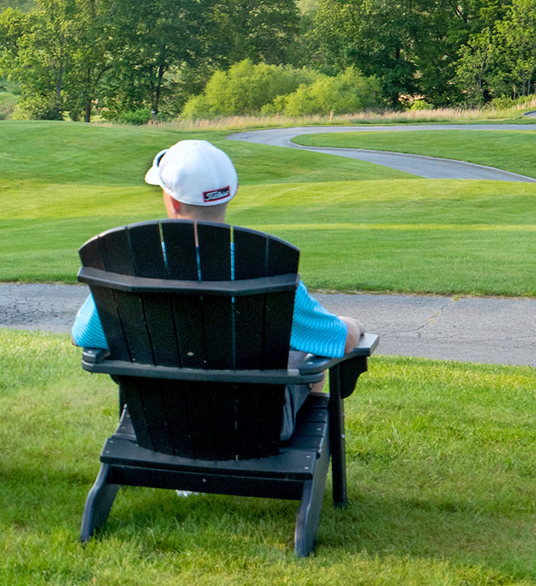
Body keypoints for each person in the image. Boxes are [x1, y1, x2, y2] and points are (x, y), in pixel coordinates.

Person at [69, 138, 364, 437]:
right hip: (255, 430)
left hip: (161, 426)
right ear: (230, 194)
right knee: (304, 356)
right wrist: (352, 324)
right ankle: (305, 446)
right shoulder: (264, 269)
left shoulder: (128, 268)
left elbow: (84, 335)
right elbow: (337, 340)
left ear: (172, 202)